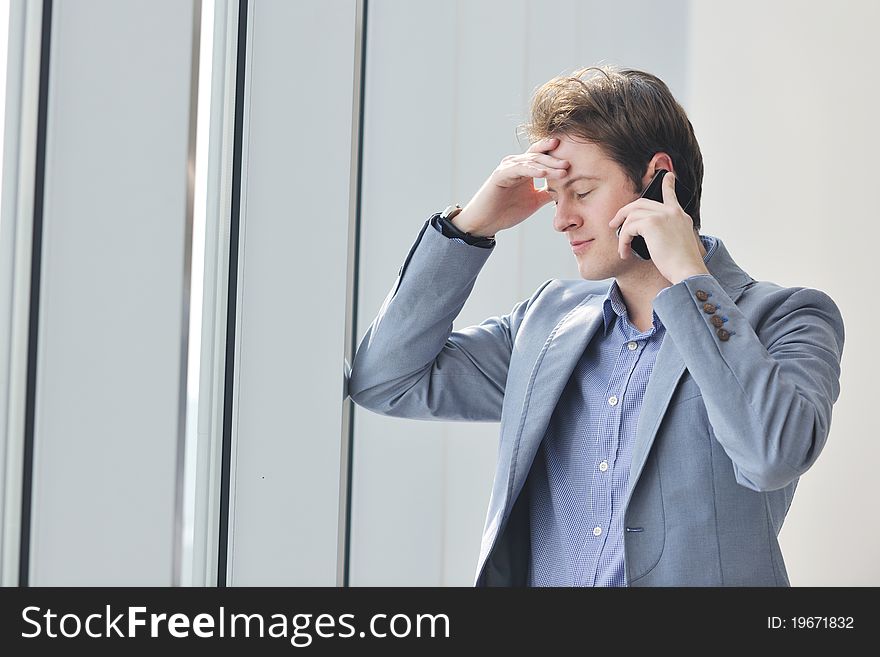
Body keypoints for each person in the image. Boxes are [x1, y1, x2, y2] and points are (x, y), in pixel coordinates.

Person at [346, 65, 845, 587]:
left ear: (656, 178)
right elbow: (385, 381)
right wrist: (472, 227)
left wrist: (690, 280)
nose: (561, 219)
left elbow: (772, 456)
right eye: (557, 196)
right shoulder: (548, 324)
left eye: (581, 192)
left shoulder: (789, 318)